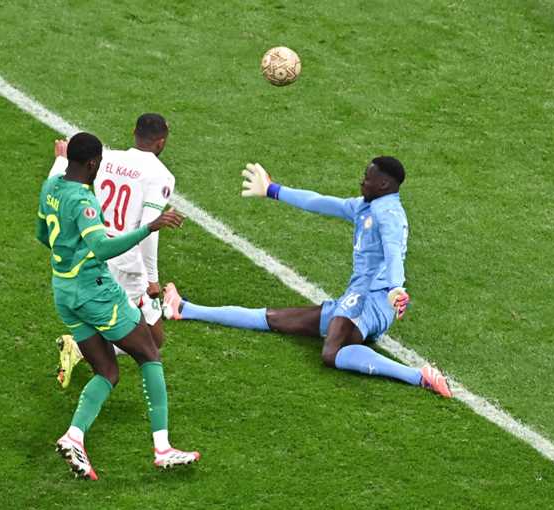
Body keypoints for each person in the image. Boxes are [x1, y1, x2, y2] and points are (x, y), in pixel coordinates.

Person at [162, 157, 452, 398]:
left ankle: (419, 376)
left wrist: (396, 287)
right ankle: (184, 309)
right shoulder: (367, 206)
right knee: (275, 319)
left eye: (367, 177)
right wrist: (273, 190)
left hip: (370, 300)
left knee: (331, 353)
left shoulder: (388, 214)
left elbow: (392, 251)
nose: (361, 181)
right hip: (359, 300)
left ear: (384, 184)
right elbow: (319, 202)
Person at [36, 132, 200, 479]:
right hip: (96, 293)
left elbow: (42, 235)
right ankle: (163, 449)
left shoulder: (50, 186)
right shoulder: (84, 200)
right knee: (149, 352)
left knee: (107, 371)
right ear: (93, 163)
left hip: (63, 291)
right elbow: (102, 248)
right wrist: (150, 227)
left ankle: (74, 437)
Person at [49, 114, 175, 388]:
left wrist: (60, 161)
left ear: (133, 132)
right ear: (161, 142)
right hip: (128, 262)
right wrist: (152, 278)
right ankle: (79, 349)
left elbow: (67, 184)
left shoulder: (106, 158)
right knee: (146, 341)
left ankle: (82, 346)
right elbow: (150, 229)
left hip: (96, 251)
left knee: (153, 336)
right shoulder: (161, 175)